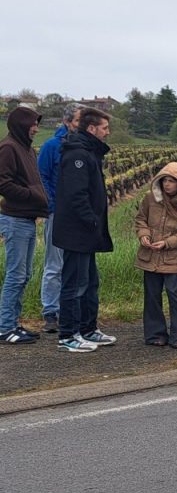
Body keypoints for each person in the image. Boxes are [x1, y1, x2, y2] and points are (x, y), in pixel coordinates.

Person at [52, 107, 116, 352]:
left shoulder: (89, 152)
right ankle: (68, 334)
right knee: (74, 283)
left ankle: (88, 329)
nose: (107, 133)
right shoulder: (77, 155)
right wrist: (91, 220)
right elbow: (76, 195)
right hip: (76, 231)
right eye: (104, 128)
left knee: (90, 282)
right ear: (92, 129)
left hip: (88, 231)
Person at [133, 162, 177, 349]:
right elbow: (140, 219)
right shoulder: (149, 198)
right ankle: (155, 334)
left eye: (172, 181)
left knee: (176, 296)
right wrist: (143, 235)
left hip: (172, 257)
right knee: (152, 296)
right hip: (150, 255)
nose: (167, 184)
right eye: (165, 180)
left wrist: (168, 243)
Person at [0, 107, 48, 344]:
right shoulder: (8, 147)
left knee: (24, 274)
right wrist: (32, 195)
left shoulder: (27, 149)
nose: (37, 129)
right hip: (15, 219)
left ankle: (13, 324)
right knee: (16, 275)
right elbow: (4, 184)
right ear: (21, 124)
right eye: (33, 125)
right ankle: (4, 328)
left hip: (27, 219)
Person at [37, 103, 81, 333]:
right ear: (67, 122)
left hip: (76, 216)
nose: (80, 126)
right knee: (54, 265)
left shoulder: (81, 147)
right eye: (77, 122)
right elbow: (42, 178)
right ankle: (50, 312)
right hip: (57, 213)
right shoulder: (52, 146)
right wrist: (52, 206)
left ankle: (69, 309)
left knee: (73, 266)